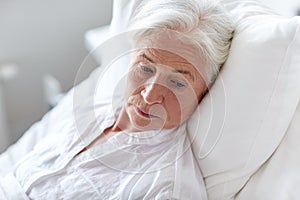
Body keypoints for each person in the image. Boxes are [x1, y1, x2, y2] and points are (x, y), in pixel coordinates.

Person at [0, 0, 234, 199]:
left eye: (178, 83)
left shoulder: (166, 188)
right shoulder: (90, 108)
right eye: (145, 68)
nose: (150, 95)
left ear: (204, 92)